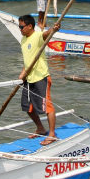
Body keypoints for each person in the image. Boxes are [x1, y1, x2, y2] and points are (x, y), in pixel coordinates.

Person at [16, 13, 56, 145]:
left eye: (21, 27)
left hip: (41, 77)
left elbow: (46, 34)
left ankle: (51, 134)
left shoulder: (37, 36)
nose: (20, 29)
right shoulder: (23, 40)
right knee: (27, 107)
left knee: (47, 107)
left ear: (29, 26)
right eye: (19, 26)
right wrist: (22, 74)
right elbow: (28, 60)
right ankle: (40, 128)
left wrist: (53, 29)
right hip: (29, 78)